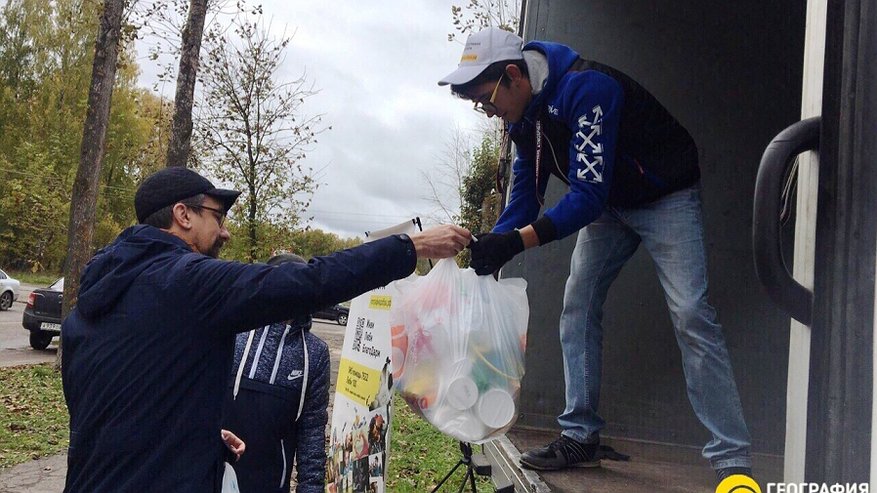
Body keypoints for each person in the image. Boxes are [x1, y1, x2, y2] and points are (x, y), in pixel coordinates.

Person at [438, 27, 752, 481]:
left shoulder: (588, 88)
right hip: (610, 204)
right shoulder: (523, 118)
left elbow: (585, 196)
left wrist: (517, 241)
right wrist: (492, 245)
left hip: (666, 194)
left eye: (487, 100)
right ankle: (581, 435)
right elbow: (525, 199)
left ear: (513, 76)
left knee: (691, 313)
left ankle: (732, 457)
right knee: (578, 306)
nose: (488, 113)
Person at [61, 166, 470, 492]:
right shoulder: (186, 282)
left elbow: (111, 409)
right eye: (217, 217)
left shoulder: (94, 300)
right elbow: (308, 282)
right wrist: (411, 247)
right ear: (182, 215)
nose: (225, 231)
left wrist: (198, 436)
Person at [222, 253, 330, 493]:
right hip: (212, 476)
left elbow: (311, 435)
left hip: (270, 485)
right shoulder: (233, 330)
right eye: (282, 284)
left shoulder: (315, 353)